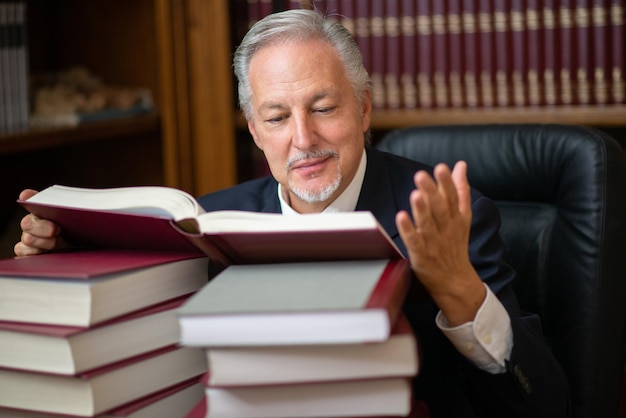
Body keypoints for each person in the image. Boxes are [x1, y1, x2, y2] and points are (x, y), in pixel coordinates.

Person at [15, 9, 569, 418]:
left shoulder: (448, 219)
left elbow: (544, 404)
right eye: (277, 117)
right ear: (254, 130)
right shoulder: (210, 224)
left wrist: (459, 290)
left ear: (364, 106)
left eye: (324, 108)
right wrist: (69, 260)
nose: (304, 139)